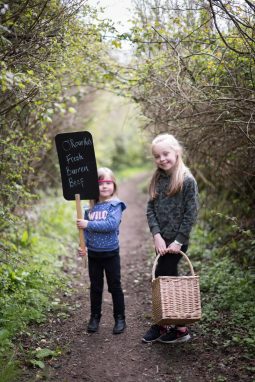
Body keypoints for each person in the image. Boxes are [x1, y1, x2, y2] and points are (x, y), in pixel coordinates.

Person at [142, 133, 199, 344]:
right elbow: (150, 209)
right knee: (160, 275)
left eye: (165, 154)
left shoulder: (187, 180)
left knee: (169, 277)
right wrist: (156, 234)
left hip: (177, 240)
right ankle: (164, 321)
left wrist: (177, 241)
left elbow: (190, 214)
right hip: (161, 239)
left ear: (176, 152)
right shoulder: (157, 178)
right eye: (157, 156)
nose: (162, 159)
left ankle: (180, 327)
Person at [76, 167, 126, 335]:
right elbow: (85, 233)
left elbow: (111, 225)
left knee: (114, 286)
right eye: (100, 183)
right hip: (94, 255)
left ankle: (120, 318)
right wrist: (83, 247)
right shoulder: (89, 209)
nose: (104, 186)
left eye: (108, 182)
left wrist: (88, 224)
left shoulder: (115, 205)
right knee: (96, 287)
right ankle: (94, 317)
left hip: (111, 254)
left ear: (114, 185)